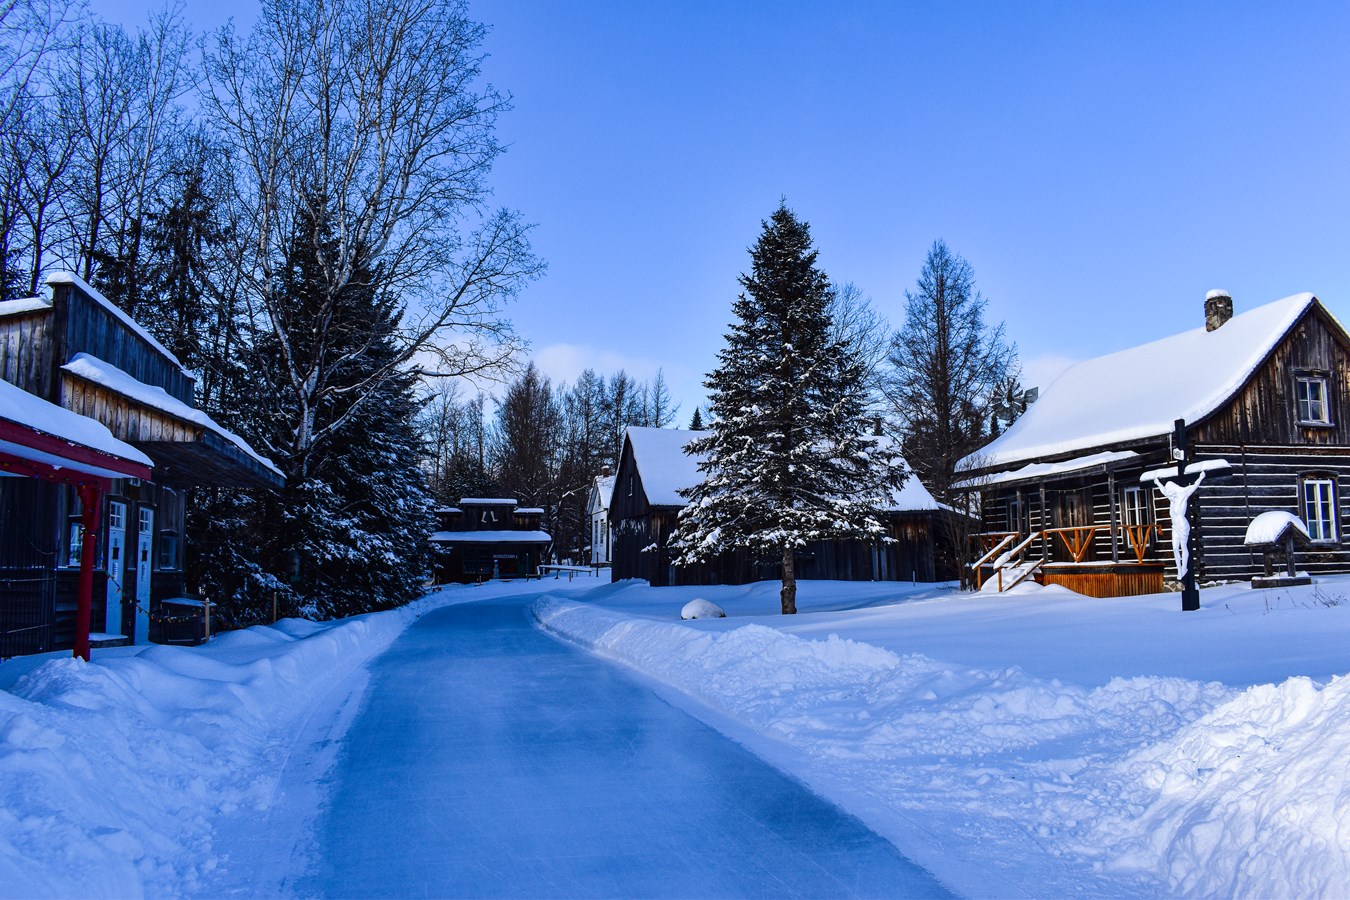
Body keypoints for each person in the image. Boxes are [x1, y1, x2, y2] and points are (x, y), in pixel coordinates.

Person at [1153, 471, 1206, 577]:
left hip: (1182, 525)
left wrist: (1200, 478)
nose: (1169, 495)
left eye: (1170, 493)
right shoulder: (1171, 499)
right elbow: (1164, 491)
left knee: (1183, 547)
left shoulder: (1182, 496)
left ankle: (1184, 568)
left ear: (1173, 490)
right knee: (1175, 548)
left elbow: (1193, 487)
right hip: (1175, 526)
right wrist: (1158, 483)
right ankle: (1179, 570)